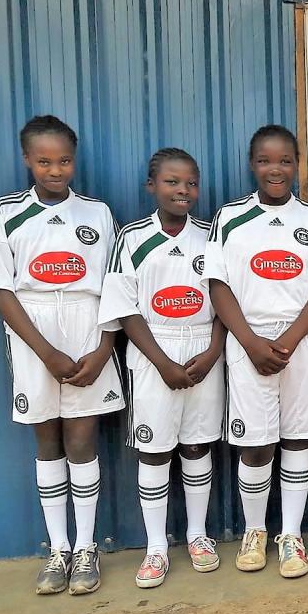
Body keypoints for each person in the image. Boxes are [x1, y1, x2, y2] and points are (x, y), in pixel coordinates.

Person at [0, 115, 123, 595]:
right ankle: (59, 549)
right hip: (34, 337)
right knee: (48, 442)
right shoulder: (6, 211)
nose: (55, 170)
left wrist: (101, 350)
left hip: (88, 330)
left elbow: (117, 289)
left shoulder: (97, 213)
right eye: (44, 161)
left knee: (82, 438)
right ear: (27, 160)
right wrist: (47, 352)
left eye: (64, 160)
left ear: (75, 160)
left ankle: (86, 547)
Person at [204, 125, 308, 577]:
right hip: (249, 342)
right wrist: (250, 342)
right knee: (256, 444)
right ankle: (256, 530)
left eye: (284, 160)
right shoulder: (230, 217)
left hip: (299, 341)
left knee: (299, 437)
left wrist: (291, 339)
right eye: (265, 160)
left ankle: (291, 535)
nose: (275, 169)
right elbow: (218, 285)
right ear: (252, 164)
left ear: (297, 165)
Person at [98, 148, 225, 588]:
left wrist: (211, 353)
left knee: (196, 446)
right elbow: (124, 308)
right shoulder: (131, 238)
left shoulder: (212, 237)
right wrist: (163, 363)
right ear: (151, 186)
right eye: (172, 182)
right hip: (154, 352)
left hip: (204, 349)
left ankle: (197, 536)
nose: (183, 191)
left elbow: (227, 301)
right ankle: (155, 547)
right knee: (154, 450)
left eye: (191, 183)